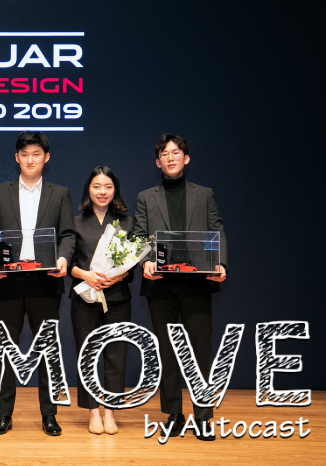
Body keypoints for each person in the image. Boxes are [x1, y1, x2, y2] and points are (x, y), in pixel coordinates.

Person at [132, 134, 227, 441]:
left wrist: (221, 263)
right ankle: (173, 414)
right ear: (157, 162)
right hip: (161, 285)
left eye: (176, 153)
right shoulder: (146, 197)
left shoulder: (205, 194)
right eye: (165, 154)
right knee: (167, 352)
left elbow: (216, 230)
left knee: (200, 351)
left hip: (197, 282)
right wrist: (144, 262)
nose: (170, 157)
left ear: (186, 159)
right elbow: (139, 236)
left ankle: (203, 416)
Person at [0, 131, 75, 436]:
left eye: (36, 154)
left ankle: (49, 415)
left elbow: (68, 234)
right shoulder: (0, 191)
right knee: (5, 350)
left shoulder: (60, 193)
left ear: (46, 158)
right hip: (8, 280)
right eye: (25, 154)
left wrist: (64, 258)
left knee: (48, 350)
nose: (30, 159)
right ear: (17, 158)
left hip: (46, 280)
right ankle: (3, 415)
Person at [68, 166, 133, 435]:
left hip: (118, 297)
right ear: (89, 190)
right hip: (84, 297)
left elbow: (133, 265)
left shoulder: (127, 223)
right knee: (87, 355)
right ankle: (93, 412)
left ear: (115, 189)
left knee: (116, 355)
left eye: (108, 186)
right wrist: (87, 275)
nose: (102, 191)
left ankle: (110, 412)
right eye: (97, 186)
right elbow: (68, 263)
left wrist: (118, 276)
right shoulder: (75, 222)